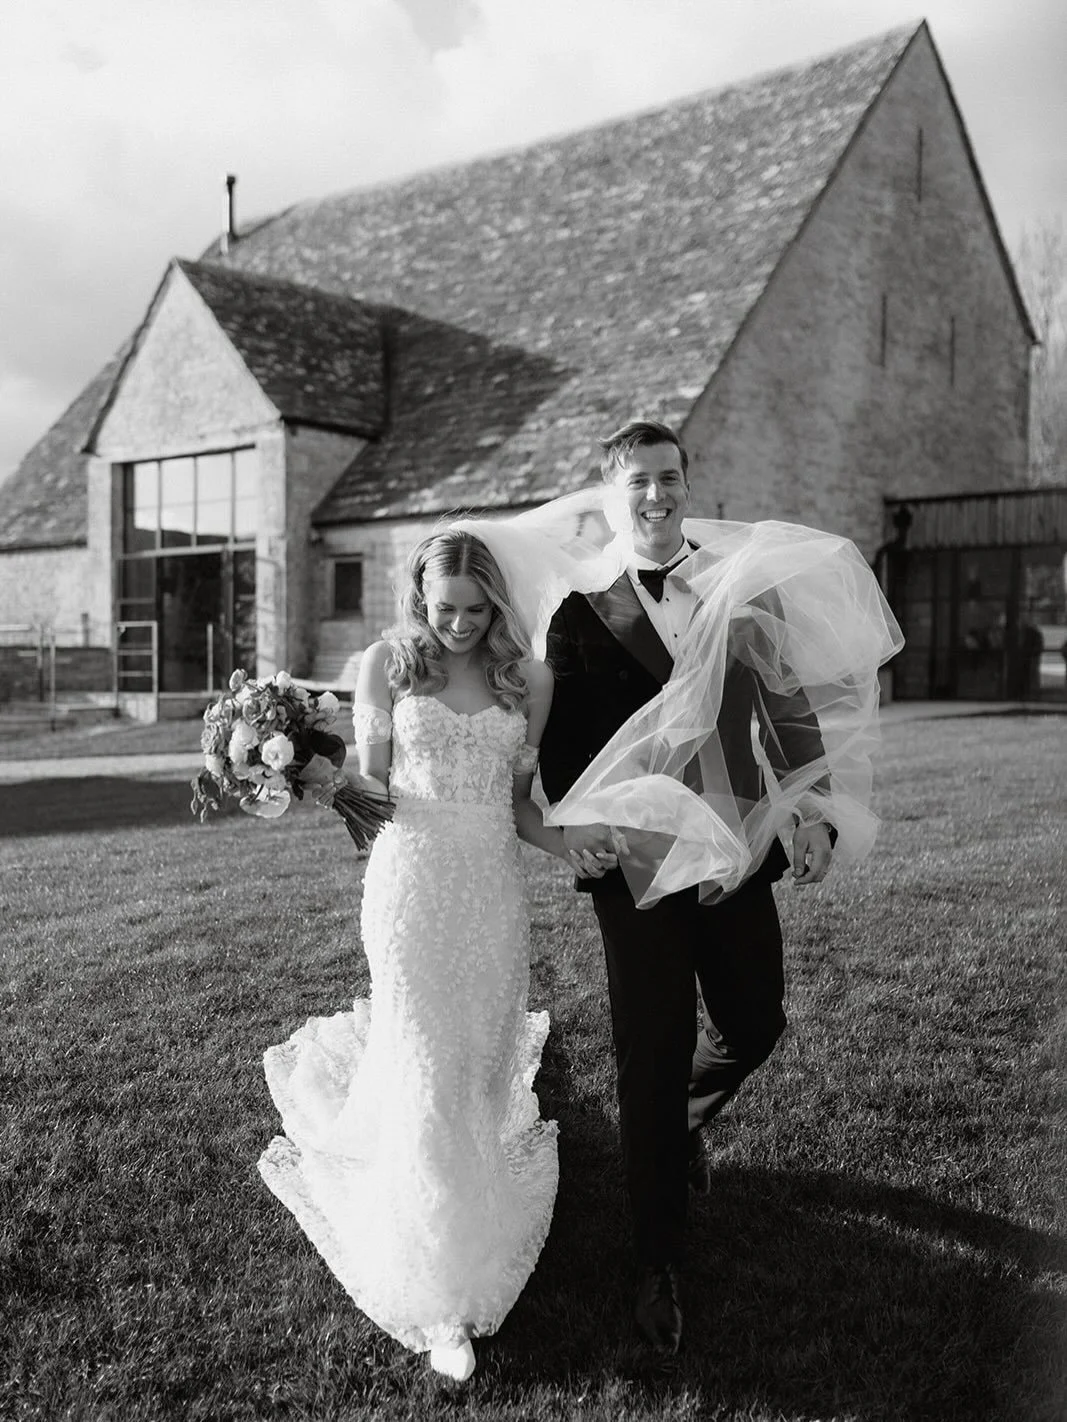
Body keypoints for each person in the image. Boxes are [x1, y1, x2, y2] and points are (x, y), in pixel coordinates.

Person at [538, 418, 897, 1356]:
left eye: (668, 478)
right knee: (649, 1055)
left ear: (686, 486)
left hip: (736, 851)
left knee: (755, 1021)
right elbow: (563, 750)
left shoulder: (739, 589)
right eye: (637, 482)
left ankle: (681, 1127)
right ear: (612, 496)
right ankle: (654, 1261)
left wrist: (811, 812)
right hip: (639, 868)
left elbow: (787, 708)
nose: (655, 496)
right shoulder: (578, 614)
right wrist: (578, 830)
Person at [258, 528, 613, 1383]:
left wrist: (572, 845)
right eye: (444, 608)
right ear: (420, 599)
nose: (458, 623)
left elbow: (519, 807)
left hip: (489, 894)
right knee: (425, 1067)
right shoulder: (386, 664)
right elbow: (375, 792)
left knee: (476, 1065)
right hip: (409, 890)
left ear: (496, 603)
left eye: (475, 609)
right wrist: (308, 773)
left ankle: (461, 1202)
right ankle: (441, 1288)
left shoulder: (529, 680)